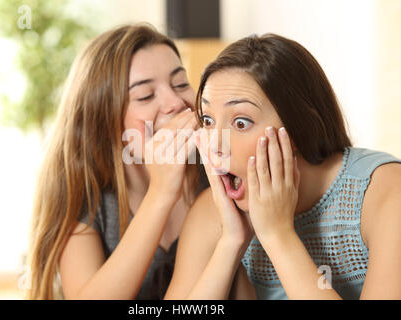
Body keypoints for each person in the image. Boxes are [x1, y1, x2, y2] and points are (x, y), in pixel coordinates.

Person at [164, 34, 401, 300]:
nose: (215, 145)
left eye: (240, 123)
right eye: (207, 120)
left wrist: (278, 235)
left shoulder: (386, 192)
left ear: (299, 130)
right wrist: (231, 242)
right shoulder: (213, 212)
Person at [26, 24, 208, 300]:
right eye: (146, 95)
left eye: (181, 83)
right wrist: (161, 193)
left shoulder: (217, 174)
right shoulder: (86, 195)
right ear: (105, 121)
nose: (176, 102)